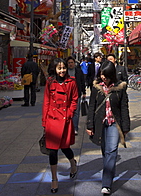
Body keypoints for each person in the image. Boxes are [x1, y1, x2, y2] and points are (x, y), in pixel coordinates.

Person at [86, 60, 130, 195]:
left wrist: (126, 126)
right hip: (100, 122)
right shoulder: (96, 87)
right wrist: (89, 124)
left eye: (106, 74)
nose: (103, 77)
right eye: (102, 74)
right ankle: (109, 171)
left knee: (111, 151)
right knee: (105, 151)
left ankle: (106, 184)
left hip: (114, 123)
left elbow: (124, 107)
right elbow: (92, 106)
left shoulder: (120, 88)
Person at [42, 58, 78, 193]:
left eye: (63, 68)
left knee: (65, 147)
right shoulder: (50, 82)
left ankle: (72, 163)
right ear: (55, 69)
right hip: (52, 118)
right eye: (59, 68)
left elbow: (75, 99)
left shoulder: (71, 82)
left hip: (65, 118)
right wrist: (44, 121)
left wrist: (69, 113)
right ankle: (54, 179)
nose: (62, 71)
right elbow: (46, 101)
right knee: (52, 150)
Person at [66, 55, 86, 135]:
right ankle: (67, 128)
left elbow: (82, 82)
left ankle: (75, 128)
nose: (70, 64)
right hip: (66, 94)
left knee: (76, 111)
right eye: (69, 63)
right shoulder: (65, 71)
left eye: (72, 63)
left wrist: (84, 92)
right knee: (67, 111)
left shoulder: (78, 71)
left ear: (74, 63)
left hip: (76, 94)